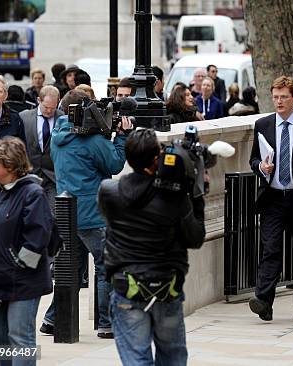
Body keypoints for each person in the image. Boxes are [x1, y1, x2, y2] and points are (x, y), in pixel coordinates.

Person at [99, 129, 206, 365]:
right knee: (172, 356)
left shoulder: (109, 191)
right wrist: (196, 194)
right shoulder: (175, 199)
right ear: (156, 159)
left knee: (136, 359)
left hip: (127, 286)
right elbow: (195, 238)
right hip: (166, 288)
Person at [40, 89, 131, 339]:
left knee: (71, 269)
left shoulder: (59, 135)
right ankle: (106, 323)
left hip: (68, 214)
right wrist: (120, 137)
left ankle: (51, 319)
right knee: (106, 268)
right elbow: (114, 164)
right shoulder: (92, 141)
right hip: (93, 216)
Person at [248, 76, 293, 322]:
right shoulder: (263, 124)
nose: (278, 101)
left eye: (283, 97)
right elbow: (254, 159)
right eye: (275, 97)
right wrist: (262, 168)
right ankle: (263, 301)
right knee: (270, 249)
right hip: (273, 198)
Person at [0, 137, 54, 366]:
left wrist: (19, 264)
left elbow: (38, 236)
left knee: (21, 339)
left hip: (23, 281)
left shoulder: (33, 193)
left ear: (10, 166)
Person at [19, 85, 63, 210]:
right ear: (39, 100)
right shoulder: (24, 117)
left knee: (53, 217)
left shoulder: (63, 118)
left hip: (53, 177)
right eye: (46, 107)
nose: (49, 111)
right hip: (30, 175)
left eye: (53, 108)